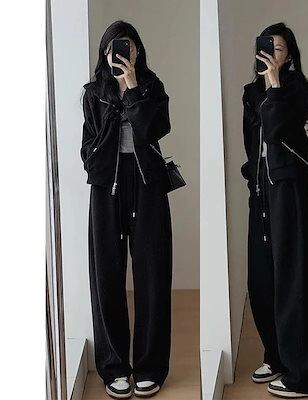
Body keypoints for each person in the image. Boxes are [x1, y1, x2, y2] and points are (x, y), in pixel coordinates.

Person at [80, 20, 172, 398]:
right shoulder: (94, 93)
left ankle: (150, 366)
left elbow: (155, 130)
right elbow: (88, 149)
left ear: (137, 51)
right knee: (107, 276)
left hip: (147, 184)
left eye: (127, 47)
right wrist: (113, 103)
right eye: (112, 48)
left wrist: (132, 88)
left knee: (153, 274)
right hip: (107, 187)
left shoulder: (152, 87)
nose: (119, 53)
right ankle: (114, 367)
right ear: (104, 54)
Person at [241, 22, 308, 398]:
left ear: (289, 55)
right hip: (261, 190)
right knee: (262, 278)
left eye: (277, 49)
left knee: (294, 278)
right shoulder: (250, 93)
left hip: (288, 189)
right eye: (265, 47)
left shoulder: (295, 88)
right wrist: (253, 179)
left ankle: (307, 375)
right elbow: (251, 144)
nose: (270, 54)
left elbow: (277, 129)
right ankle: (277, 356)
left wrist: (274, 82)